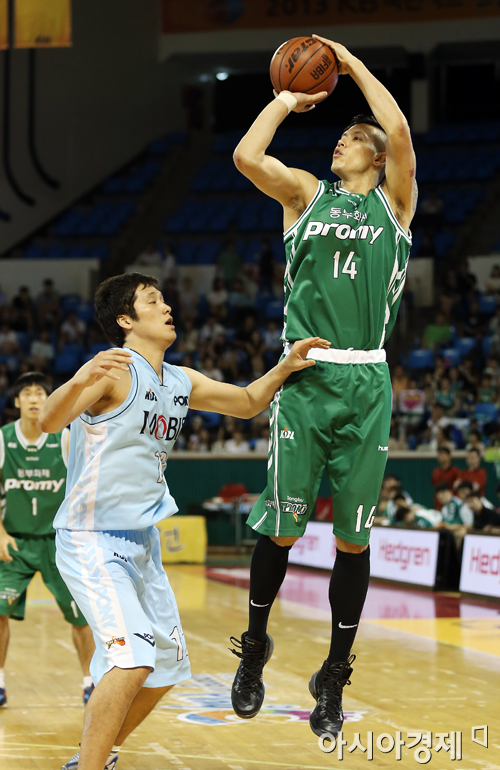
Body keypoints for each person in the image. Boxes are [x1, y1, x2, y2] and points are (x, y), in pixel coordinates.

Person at [38, 272, 328, 770]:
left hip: (143, 543)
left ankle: (96, 757)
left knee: (168, 667)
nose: (167, 306)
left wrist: (286, 366)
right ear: (126, 320)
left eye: (166, 299)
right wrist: (80, 377)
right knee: (132, 661)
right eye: (153, 301)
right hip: (91, 538)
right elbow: (47, 420)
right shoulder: (110, 372)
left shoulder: (179, 379)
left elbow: (245, 402)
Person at [228, 34, 417, 738]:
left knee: (353, 542)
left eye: (349, 138)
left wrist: (345, 62)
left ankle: (333, 675)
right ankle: (253, 649)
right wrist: (285, 99)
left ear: (373, 155)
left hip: (366, 378)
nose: (338, 143)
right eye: (335, 136)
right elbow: (248, 158)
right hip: (305, 379)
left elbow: (397, 128)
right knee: (279, 529)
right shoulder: (306, 193)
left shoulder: (395, 206)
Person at [0, 372, 94, 708]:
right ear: (16, 402)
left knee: (80, 615)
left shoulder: (64, 438)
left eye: (40, 392)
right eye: (26, 393)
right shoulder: (3, 440)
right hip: (16, 543)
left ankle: (90, 682)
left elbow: (84, 487)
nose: (35, 398)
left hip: (59, 543)